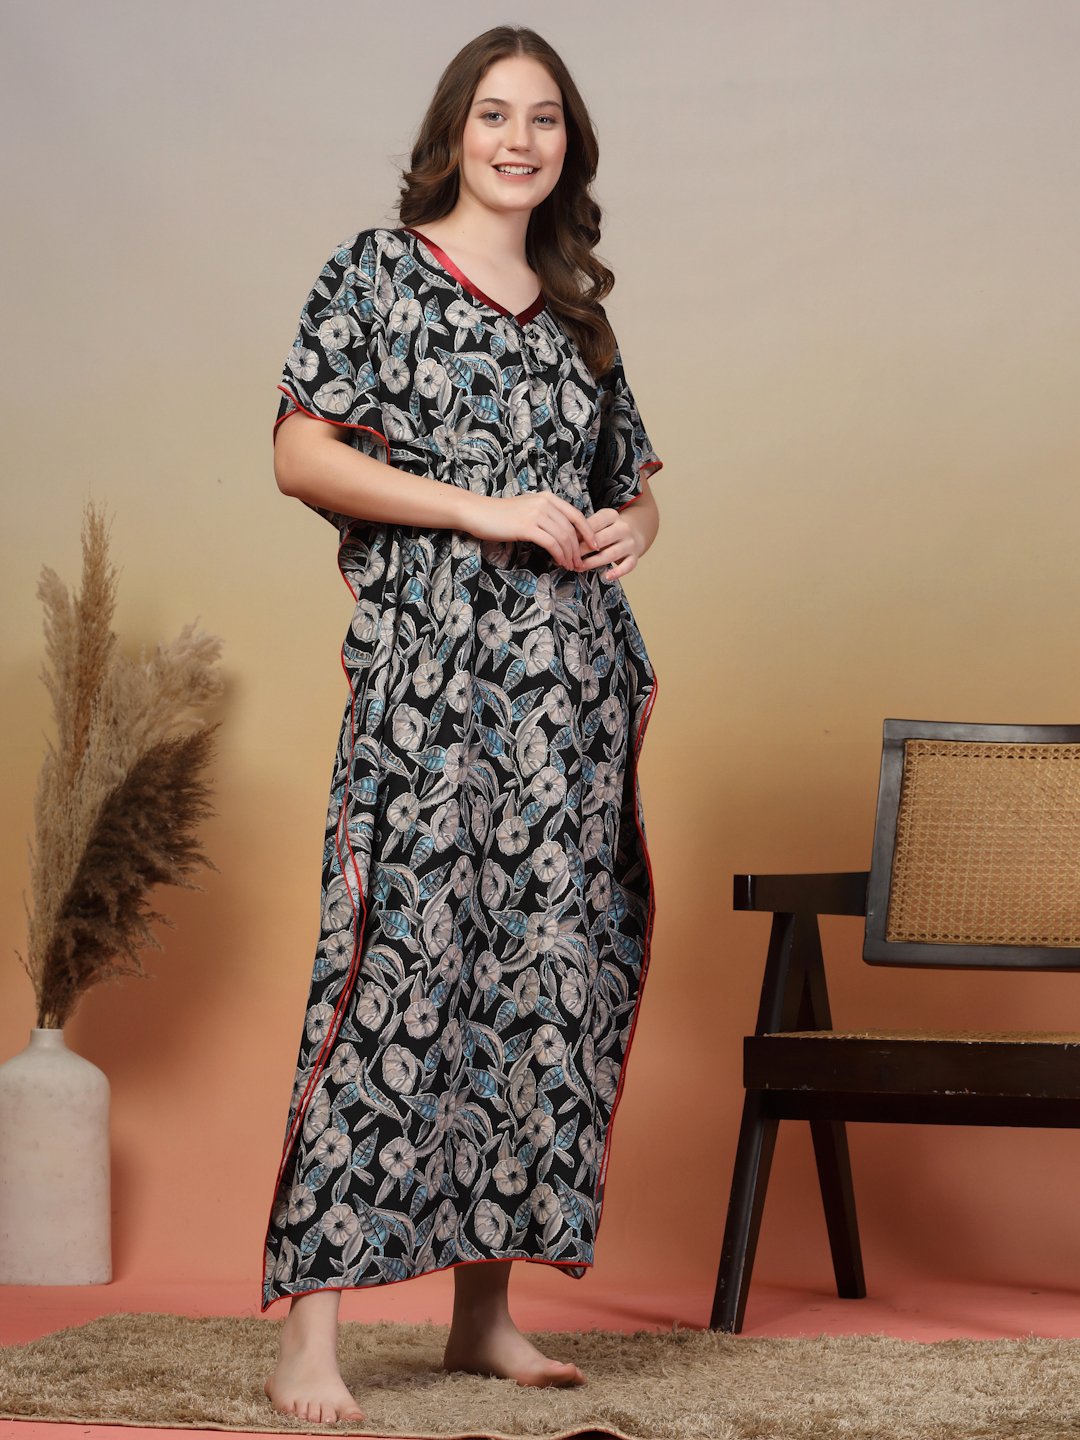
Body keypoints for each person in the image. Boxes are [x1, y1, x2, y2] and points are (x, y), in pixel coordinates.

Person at [261, 23, 665, 1425]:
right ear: (452, 131)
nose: (518, 140)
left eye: (544, 119)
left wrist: (631, 529)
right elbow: (299, 452)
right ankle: (308, 1338)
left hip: (563, 700)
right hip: (430, 691)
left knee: (534, 987)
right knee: (389, 969)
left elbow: (636, 483)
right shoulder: (374, 273)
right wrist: (480, 509)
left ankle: (482, 1318)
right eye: (495, 113)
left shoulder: (577, 317)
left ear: (570, 147)